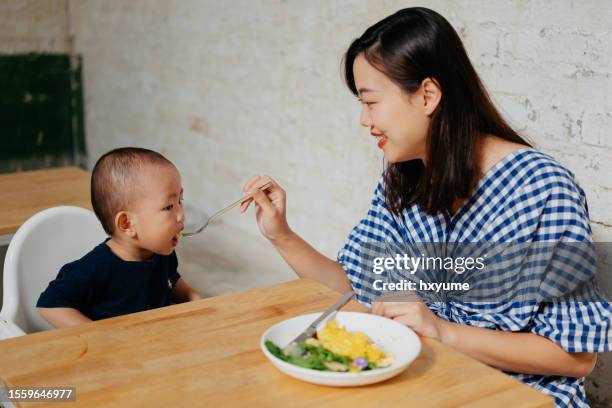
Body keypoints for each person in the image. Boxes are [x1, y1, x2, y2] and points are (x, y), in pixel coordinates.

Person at [240, 7, 610, 407]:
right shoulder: (403, 180)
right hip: (434, 385)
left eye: (371, 102)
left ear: (428, 95)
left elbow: (575, 359)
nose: (365, 120)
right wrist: (281, 235)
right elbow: (357, 290)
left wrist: (441, 331)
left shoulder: (540, 188)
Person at [37, 147, 202, 328]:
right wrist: (97, 335)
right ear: (127, 224)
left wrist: (194, 298)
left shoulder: (162, 253)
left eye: (180, 201)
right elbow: (49, 306)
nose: (181, 215)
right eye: (169, 207)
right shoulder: (95, 268)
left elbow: (171, 280)